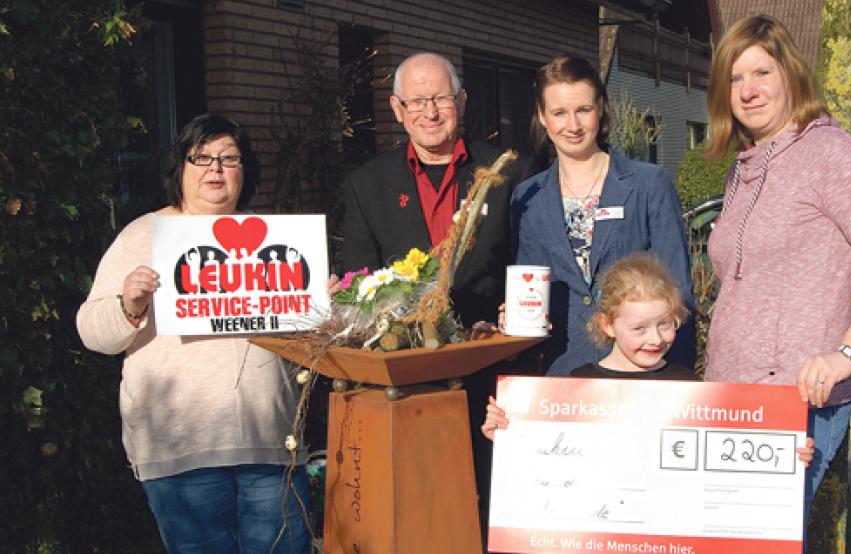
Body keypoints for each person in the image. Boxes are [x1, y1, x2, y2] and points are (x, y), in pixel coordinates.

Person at [702, 14, 851, 520]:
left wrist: (846, 356)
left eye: (762, 73)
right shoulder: (743, 168)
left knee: (760, 538)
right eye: (735, 78)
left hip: (796, 401)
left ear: (792, 74)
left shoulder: (832, 155)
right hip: (729, 393)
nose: (748, 90)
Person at [76, 114, 310, 553]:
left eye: (228, 158)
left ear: (245, 170)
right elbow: (93, 333)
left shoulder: (276, 240)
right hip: (181, 454)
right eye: (200, 159)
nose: (215, 170)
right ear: (179, 170)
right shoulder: (142, 234)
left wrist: (322, 307)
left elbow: (308, 338)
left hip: (269, 446)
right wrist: (129, 305)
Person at [482, 253, 817, 465]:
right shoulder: (577, 386)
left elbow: (725, 457)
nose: (655, 339)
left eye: (665, 324)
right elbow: (544, 457)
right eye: (639, 328)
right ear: (608, 325)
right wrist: (507, 431)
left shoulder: (688, 386)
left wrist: (786, 452)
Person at [510, 55, 695, 376]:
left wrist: (676, 376)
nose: (573, 125)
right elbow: (529, 286)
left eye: (583, 110)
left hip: (641, 369)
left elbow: (679, 291)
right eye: (559, 113)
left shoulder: (648, 184)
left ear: (601, 109)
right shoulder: (528, 197)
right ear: (542, 116)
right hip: (563, 370)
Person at [340, 52, 529, 327]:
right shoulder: (367, 185)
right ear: (397, 108)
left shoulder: (509, 172)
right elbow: (360, 281)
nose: (431, 113)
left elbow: (531, 263)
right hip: (406, 353)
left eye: (442, 99)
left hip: (490, 348)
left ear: (461, 102)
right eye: (416, 102)